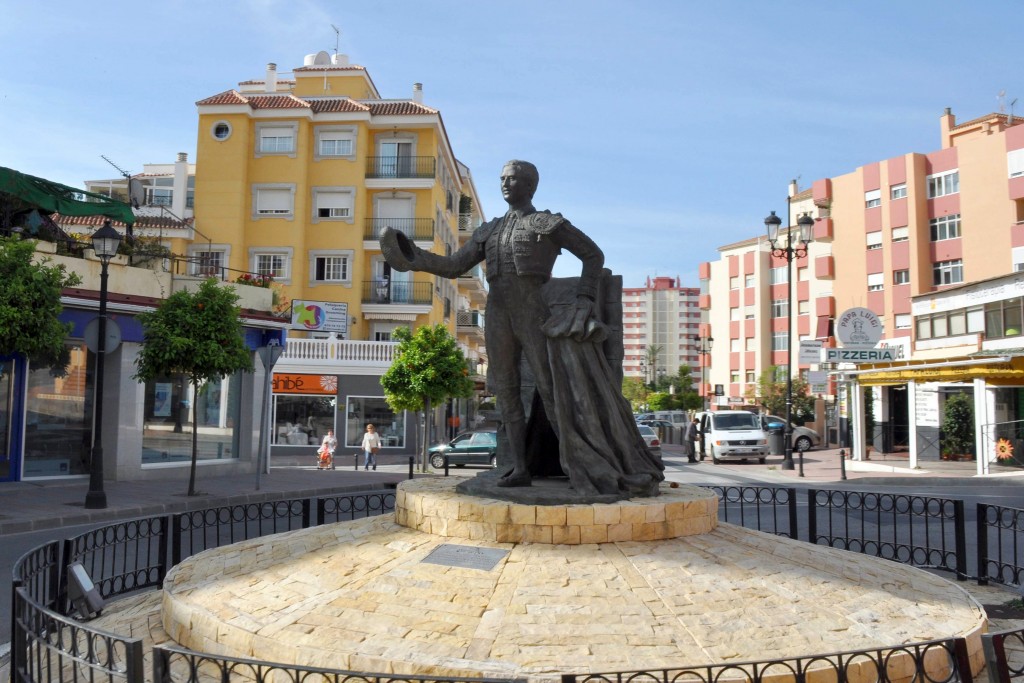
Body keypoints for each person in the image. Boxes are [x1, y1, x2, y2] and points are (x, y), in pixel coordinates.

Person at [380, 160, 662, 496]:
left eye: (512, 179)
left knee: (550, 389)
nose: (504, 183)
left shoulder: (546, 223)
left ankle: (576, 465)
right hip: (498, 313)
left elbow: (592, 255)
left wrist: (585, 298)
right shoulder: (489, 230)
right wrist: (414, 257)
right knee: (507, 392)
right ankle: (518, 468)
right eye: (502, 178)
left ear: (529, 186)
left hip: (533, 311)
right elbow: (454, 266)